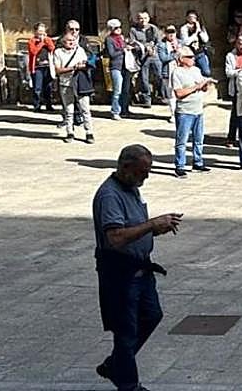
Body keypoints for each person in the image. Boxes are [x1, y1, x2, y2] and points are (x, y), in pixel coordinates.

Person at [93, 144, 181, 391]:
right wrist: (151, 224)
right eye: (143, 171)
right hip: (121, 275)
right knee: (126, 331)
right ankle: (129, 384)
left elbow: (134, 228)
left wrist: (157, 228)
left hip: (141, 270)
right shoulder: (110, 196)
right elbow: (116, 237)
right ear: (126, 167)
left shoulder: (131, 188)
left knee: (152, 315)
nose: (147, 176)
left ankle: (116, 364)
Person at [169, 46, 214, 178]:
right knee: (182, 141)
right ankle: (180, 166)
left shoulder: (196, 70)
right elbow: (179, 93)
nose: (193, 59)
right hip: (185, 111)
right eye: (189, 57)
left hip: (198, 109)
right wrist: (196, 87)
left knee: (199, 139)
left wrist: (205, 85)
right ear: (181, 59)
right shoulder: (177, 73)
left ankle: (198, 162)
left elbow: (202, 87)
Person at [52, 31, 94, 143]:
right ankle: (70, 132)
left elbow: (86, 64)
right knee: (69, 110)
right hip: (65, 83)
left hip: (80, 83)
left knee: (85, 109)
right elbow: (58, 70)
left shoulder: (80, 50)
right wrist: (73, 68)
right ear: (63, 42)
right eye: (69, 41)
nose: (72, 42)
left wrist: (82, 66)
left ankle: (89, 132)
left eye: (73, 40)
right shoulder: (58, 52)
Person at [222, 34, 242, 148]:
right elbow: (228, 72)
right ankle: (231, 138)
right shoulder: (230, 56)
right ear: (236, 44)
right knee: (235, 114)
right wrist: (241, 71)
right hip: (236, 88)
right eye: (241, 44)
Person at [129, 11, 162, 109]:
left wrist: (153, 49)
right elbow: (133, 43)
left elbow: (158, 42)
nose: (143, 20)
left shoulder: (153, 28)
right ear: (138, 19)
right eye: (141, 18)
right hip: (142, 57)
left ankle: (159, 95)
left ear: (148, 19)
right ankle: (147, 99)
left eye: (145, 18)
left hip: (154, 56)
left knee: (159, 75)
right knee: (144, 79)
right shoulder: (133, 30)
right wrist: (144, 47)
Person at [104, 19, 133, 120]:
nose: (119, 29)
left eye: (120, 27)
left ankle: (124, 110)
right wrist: (123, 50)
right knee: (117, 90)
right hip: (116, 67)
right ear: (111, 29)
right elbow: (112, 54)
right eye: (116, 28)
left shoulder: (122, 38)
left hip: (126, 66)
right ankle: (115, 111)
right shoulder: (109, 39)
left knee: (126, 90)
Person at [26, 21, 56, 115]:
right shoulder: (31, 41)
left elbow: (52, 48)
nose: (41, 33)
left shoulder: (47, 39)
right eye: (40, 31)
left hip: (47, 67)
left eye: (43, 31)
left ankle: (49, 105)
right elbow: (33, 51)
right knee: (37, 88)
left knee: (48, 87)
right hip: (37, 67)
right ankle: (37, 105)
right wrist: (41, 43)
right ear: (35, 32)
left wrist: (46, 40)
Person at [155, 25, 180, 122]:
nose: (171, 34)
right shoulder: (161, 45)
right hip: (168, 72)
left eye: (173, 32)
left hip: (180, 71)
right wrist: (175, 54)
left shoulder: (180, 43)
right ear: (165, 33)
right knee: (171, 94)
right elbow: (163, 58)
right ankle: (173, 114)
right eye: (169, 32)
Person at [177, 10, 211, 77]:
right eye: (190, 17)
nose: (192, 19)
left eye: (194, 17)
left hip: (200, 53)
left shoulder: (200, 27)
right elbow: (186, 42)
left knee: (206, 72)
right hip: (189, 55)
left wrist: (199, 30)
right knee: (191, 74)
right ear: (187, 18)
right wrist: (195, 33)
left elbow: (205, 39)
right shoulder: (184, 28)